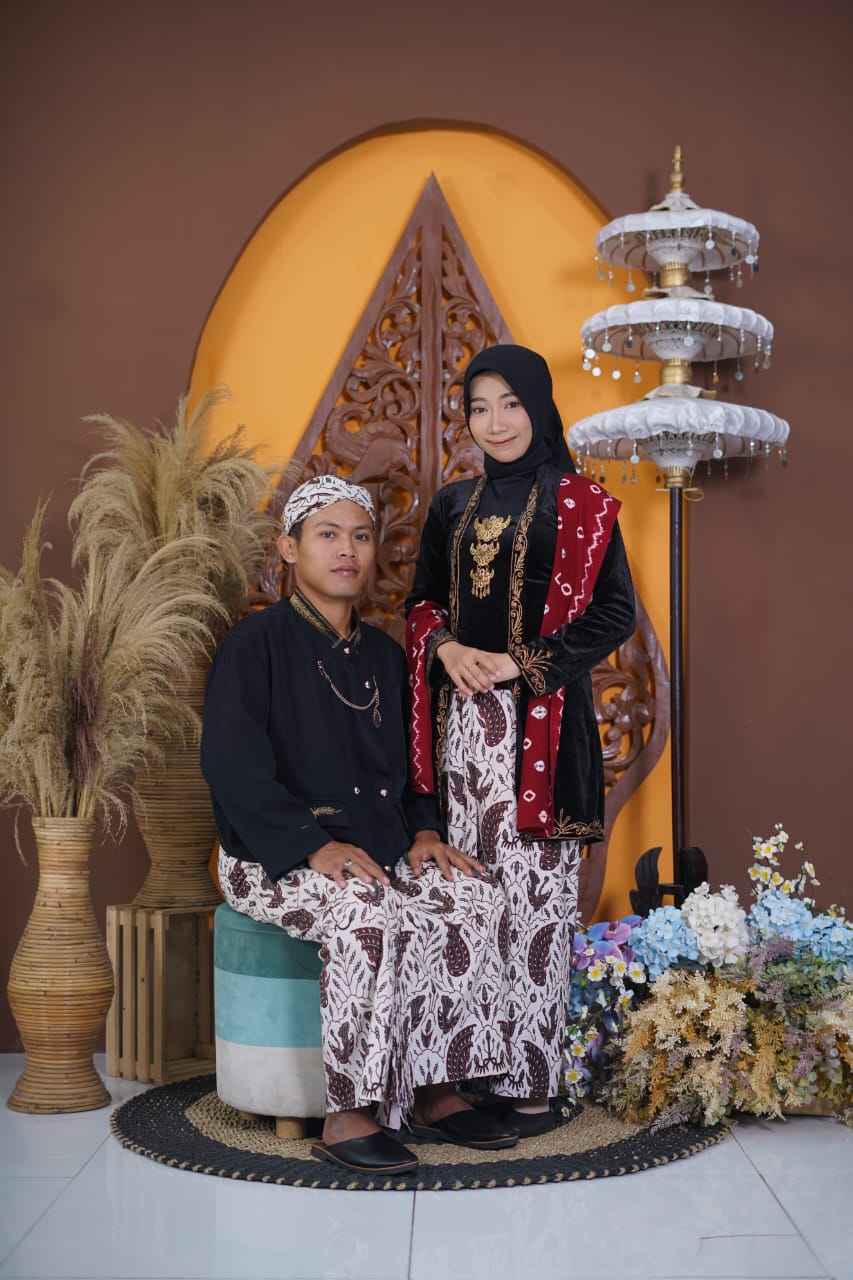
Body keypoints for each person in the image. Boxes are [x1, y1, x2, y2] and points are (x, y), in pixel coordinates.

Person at [201, 474, 517, 1175]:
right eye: (327, 534)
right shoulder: (255, 643)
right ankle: (348, 1112)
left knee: (470, 896)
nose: (347, 549)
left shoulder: (383, 654)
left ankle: (437, 1089)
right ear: (289, 548)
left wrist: (425, 832)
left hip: (376, 851)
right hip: (269, 856)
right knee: (364, 908)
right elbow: (230, 766)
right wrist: (311, 846)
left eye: (361, 536)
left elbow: (412, 765)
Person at [406, 344, 636, 1135]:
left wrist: (521, 662)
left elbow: (614, 613)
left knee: (533, 912)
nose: (494, 422)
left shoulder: (582, 503)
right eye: (478, 407)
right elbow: (420, 603)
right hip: (460, 739)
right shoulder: (451, 504)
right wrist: (445, 649)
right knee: (468, 905)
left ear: (537, 407)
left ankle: (531, 1089)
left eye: (509, 404)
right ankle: (466, 1077)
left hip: (541, 738)